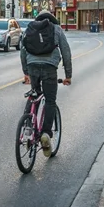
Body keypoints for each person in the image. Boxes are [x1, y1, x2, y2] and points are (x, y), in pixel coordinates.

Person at [21, 10, 72, 157]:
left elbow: (23, 51)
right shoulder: (56, 29)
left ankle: (27, 129)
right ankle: (45, 133)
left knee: (33, 96)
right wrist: (68, 75)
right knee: (50, 100)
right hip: (50, 68)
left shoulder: (30, 28)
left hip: (32, 67)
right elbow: (66, 52)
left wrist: (26, 72)